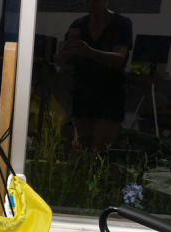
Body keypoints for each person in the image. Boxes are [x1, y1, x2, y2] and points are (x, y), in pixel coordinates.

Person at [55, 0, 132, 150]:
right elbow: (60, 60)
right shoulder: (78, 25)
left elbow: (119, 59)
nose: (93, 4)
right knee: (82, 148)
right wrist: (64, 52)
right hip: (83, 92)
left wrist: (89, 52)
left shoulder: (121, 24)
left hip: (109, 94)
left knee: (99, 149)